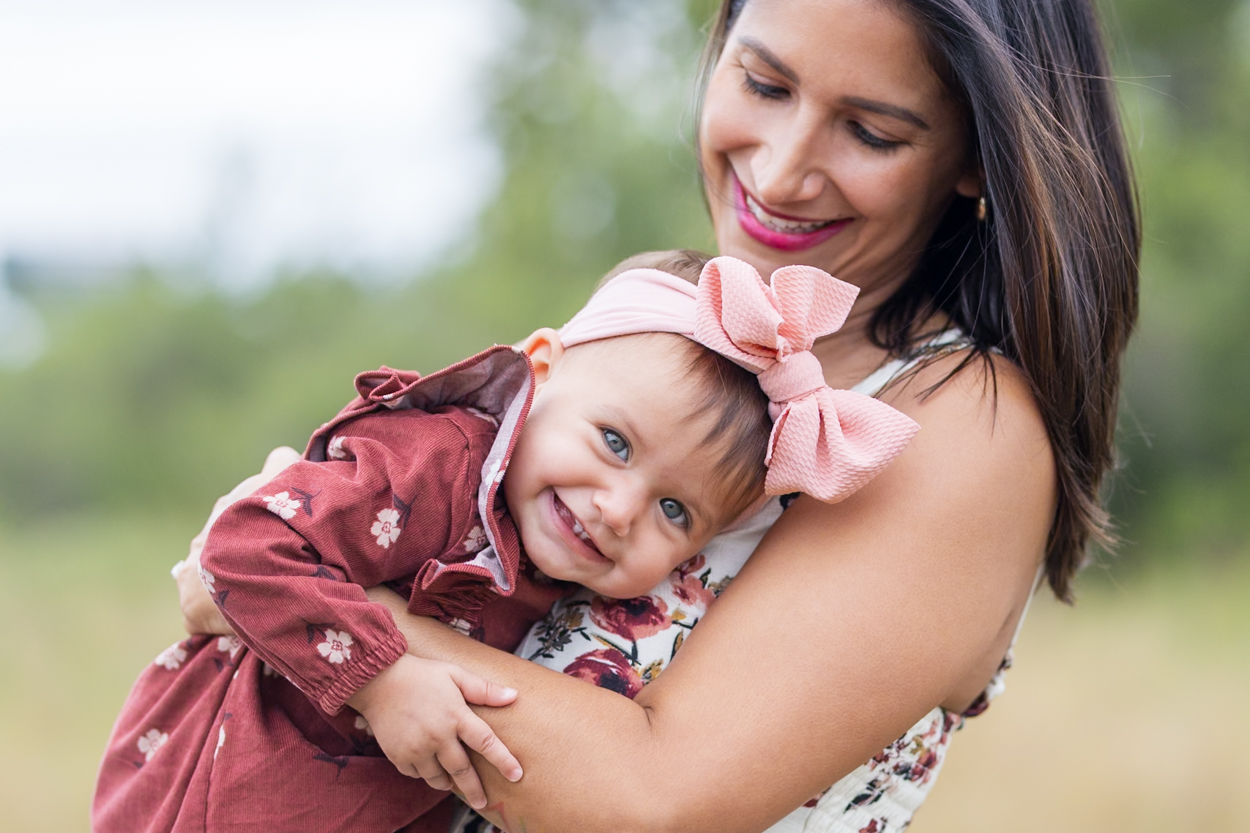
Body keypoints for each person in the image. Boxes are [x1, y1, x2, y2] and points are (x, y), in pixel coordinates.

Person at [176, 0, 1141, 829]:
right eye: (764, 85)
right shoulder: (676, 344)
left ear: (976, 158)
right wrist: (303, 564)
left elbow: (656, 797)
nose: (780, 167)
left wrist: (293, 600)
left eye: (871, 133)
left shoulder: (955, 421)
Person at [94, 249, 919, 833]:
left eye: (676, 511)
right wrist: (381, 681)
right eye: (616, 443)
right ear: (540, 368)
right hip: (212, 791)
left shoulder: (562, 552)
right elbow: (245, 540)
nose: (619, 508)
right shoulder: (433, 466)